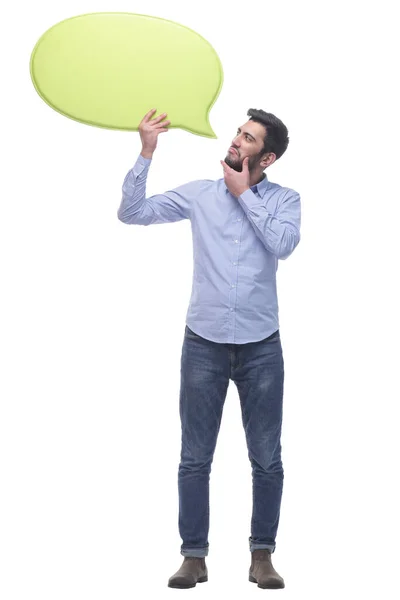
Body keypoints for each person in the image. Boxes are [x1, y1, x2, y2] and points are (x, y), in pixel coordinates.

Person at [117, 108, 301, 589]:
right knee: (194, 456)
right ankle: (193, 556)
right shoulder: (200, 194)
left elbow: (283, 244)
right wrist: (147, 152)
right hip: (204, 344)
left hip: (262, 347)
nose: (237, 142)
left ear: (269, 156)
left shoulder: (285, 200)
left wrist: (245, 197)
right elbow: (131, 213)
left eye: (249, 138)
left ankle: (262, 556)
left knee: (266, 458)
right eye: (239, 133)